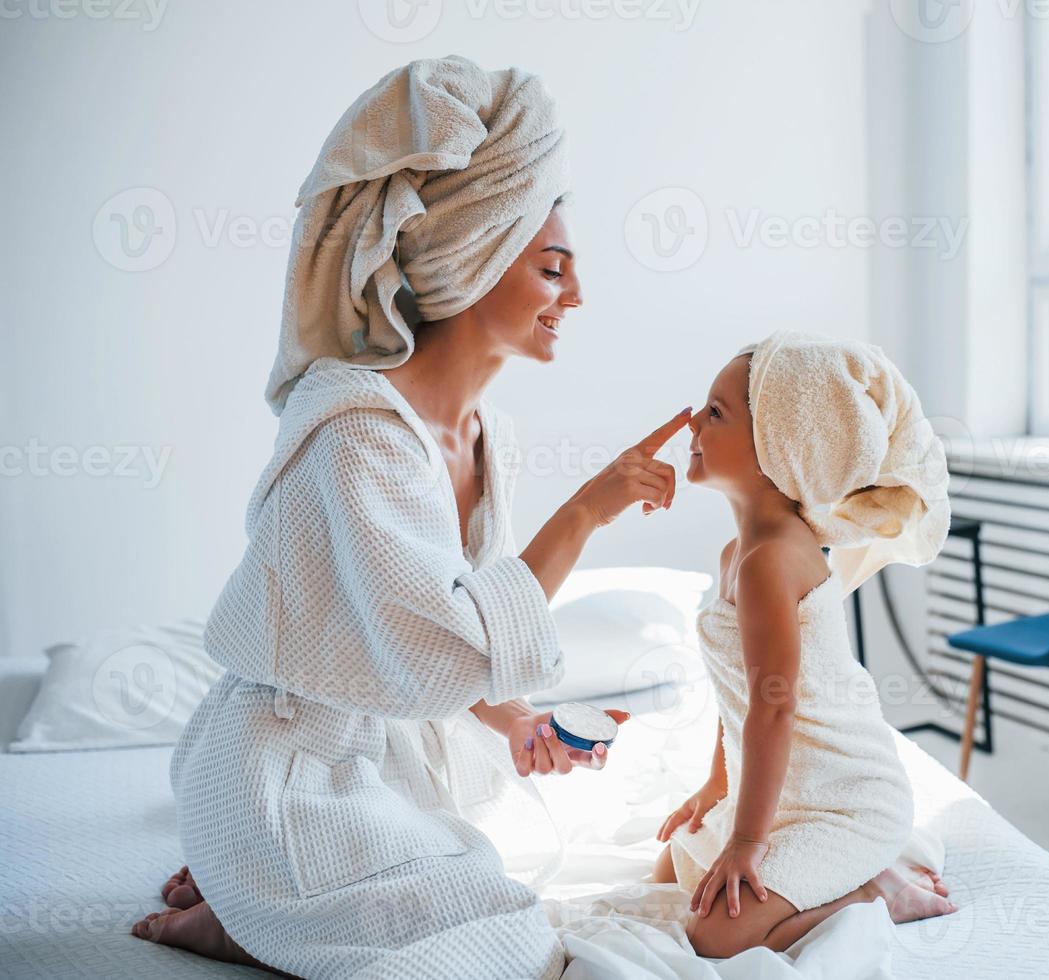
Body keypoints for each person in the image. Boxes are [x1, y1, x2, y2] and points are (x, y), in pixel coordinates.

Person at [130, 56, 686, 979]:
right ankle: (251, 905)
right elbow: (444, 642)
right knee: (499, 930)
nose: (576, 298)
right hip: (287, 767)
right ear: (472, 264)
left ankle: (256, 909)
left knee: (477, 867)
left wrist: (512, 724)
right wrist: (586, 510)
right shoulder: (356, 431)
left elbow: (418, 637)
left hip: (378, 757)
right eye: (553, 269)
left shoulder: (481, 432)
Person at [650, 331, 958, 957]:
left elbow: (773, 708)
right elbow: (740, 692)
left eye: (715, 413)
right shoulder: (738, 552)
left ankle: (877, 891)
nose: (693, 424)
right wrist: (717, 788)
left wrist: (744, 843)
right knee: (670, 868)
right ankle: (821, 866)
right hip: (785, 783)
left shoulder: (770, 561)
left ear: (777, 446)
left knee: (715, 935)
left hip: (841, 799)